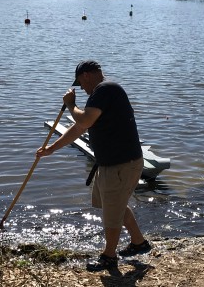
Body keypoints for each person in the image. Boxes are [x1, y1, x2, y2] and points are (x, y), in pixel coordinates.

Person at [36, 60, 151, 271]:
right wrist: (52, 148)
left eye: (81, 83)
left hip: (121, 164)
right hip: (110, 164)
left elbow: (85, 120)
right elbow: (80, 126)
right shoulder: (100, 95)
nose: (82, 89)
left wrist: (71, 103)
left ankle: (109, 256)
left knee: (112, 211)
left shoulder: (105, 89)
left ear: (86, 75)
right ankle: (138, 242)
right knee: (111, 206)